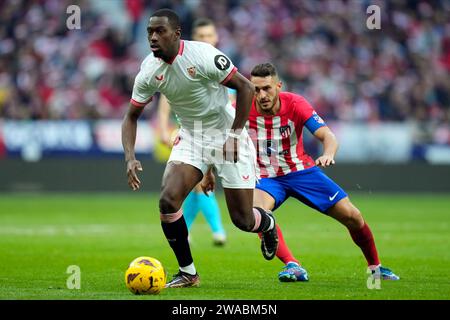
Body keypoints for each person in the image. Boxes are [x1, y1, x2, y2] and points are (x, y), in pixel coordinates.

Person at [121, 9, 278, 288]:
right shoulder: (148, 70)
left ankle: (266, 224)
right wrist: (130, 157)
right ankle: (188, 273)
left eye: (160, 32)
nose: (153, 38)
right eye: (149, 32)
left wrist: (233, 136)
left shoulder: (204, 55)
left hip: (227, 132)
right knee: (168, 201)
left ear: (177, 34)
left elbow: (245, 88)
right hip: (192, 136)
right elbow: (131, 116)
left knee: (242, 220)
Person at [202, 62, 400, 282]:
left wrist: (328, 153)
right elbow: (220, 137)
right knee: (255, 214)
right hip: (265, 177)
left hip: (302, 172)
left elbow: (328, 136)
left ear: (278, 86)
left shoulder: (296, 103)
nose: (262, 95)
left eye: (267, 88)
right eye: (256, 90)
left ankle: (375, 268)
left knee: (353, 216)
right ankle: (292, 265)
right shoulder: (242, 106)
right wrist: (208, 172)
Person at [157, 18, 230, 247]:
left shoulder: (223, 64)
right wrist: (162, 127)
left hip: (224, 133)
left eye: (209, 36)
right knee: (196, 183)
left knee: (200, 185)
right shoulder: (184, 63)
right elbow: (166, 97)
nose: (206, 40)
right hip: (194, 132)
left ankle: (191, 230)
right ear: (193, 39)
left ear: (216, 38)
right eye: (201, 37)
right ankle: (216, 231)